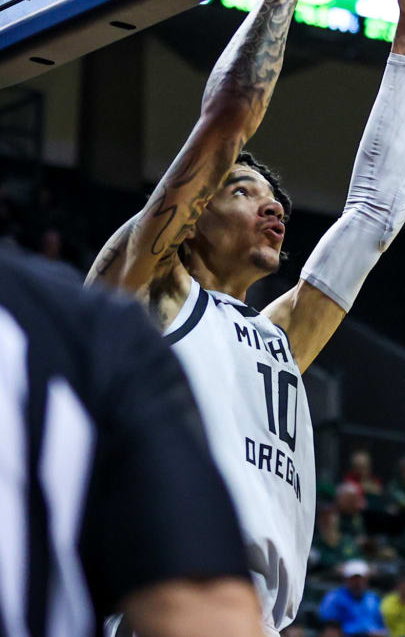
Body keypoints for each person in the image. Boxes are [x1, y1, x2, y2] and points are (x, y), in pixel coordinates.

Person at [88, 0, 405, 634]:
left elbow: (374, 217)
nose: (273, 209)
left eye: (276, 199)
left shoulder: (277, 338)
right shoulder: (146, 288)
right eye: (243, 190)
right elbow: (230, 115)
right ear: (194, 209)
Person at [0, 243, 263, 637]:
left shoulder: (269, 334)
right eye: (241, 188)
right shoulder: (93, 325)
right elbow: (201, 605)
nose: (273, 208)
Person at [319, 560, 386, 636]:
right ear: (346, 579)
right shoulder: (334, 598)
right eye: (354, 579)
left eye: (361, 579)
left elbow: (382, 625)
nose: (358, 582)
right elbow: (329, 628)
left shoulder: (373, 599)